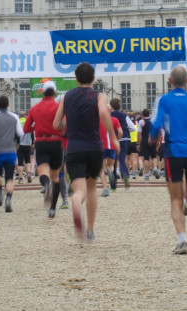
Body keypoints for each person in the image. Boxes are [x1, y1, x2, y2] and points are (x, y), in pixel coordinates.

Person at [53, 62, 119, 242]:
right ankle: (90, 229)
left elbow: (56, 124)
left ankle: (75, 202)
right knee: (91, 188)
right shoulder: (99, 95)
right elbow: (104, 114)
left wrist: (71, 122)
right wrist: (113, 138)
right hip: (94, 147)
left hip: (74, 148)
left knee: (79, 190)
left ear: (76, 79)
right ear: (93, 78)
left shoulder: (67, 96)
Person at [149, 65, 187, 255]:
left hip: (173, 151)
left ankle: (182, 240)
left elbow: (158, 123)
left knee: (175, 199)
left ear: (169, 81)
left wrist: (152, 137)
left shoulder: (164, 100)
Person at [24, 81, 64, 218]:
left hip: (41, 141)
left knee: (42, 171)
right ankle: (52, 208)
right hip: (56, 141)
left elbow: (26, 128)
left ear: (43, 92)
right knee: (56, 176)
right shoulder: (58, 107)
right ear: (54, 92)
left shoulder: (35, 108)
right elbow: (65, 125)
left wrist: (38, 127)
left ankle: (46, 185)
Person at [0, 95, 24, 212]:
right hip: (10, 150)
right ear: (8, 105)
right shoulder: (14, 117)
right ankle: (9, 199)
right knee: (10, 176)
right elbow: (20, 133)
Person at [110, 98, 136, 188]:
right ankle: (125, 174)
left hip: (113, 139)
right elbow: (133, 127)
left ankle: (113, 183)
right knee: (122, 159)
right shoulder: (124, 115)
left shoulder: (109, 115)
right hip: (124, 138)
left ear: (111, 106)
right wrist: (126, 130)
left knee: (113, 160)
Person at [99, 104, 122, 196]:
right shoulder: (115, 120)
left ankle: (105, 188)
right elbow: (120, 132)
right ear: (111, 110)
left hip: (101, 145)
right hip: (112, 145)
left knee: (100, 168)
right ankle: (110, 171)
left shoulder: (98, 120)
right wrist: (116, 139)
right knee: (111, 165)